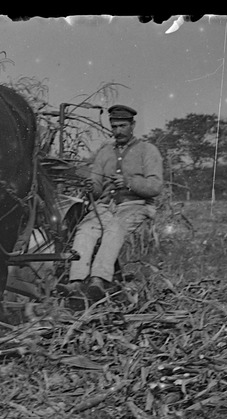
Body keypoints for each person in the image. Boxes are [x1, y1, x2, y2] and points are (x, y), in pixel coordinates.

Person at [66, 104, 164, 302]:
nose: (118, 131)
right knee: (85, 229)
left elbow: (155, 186)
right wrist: (89, 186)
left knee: (114, 229)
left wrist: (129, 183)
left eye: (122, 126)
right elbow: (97, 187)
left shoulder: (148, 150)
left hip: (135, 205)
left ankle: (99, 280)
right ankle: (76, 281)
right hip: (105, 206)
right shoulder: (104, 152)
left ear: (132, 125)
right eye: (114, 127)